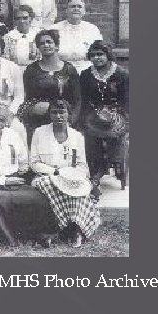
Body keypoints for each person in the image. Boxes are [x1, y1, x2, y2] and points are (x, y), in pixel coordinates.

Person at [0, 103, 56, 246]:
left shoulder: (13, 135)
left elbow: (23, 161)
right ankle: (9, 239)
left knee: (36, 197)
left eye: (2, 120)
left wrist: (18, 174)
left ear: (6, 121)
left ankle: (38, 236)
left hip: (14, 180)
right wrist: (3, 181)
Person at [31, 100, 99, 248]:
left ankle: (75, 228)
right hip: (46, 176)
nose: (58, 116)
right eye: (54, 112)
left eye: (62, 112)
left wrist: (73, 175)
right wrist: (56, 172)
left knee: (79, 186)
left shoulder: (77, 137)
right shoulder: (39, 133)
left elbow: (82, 165)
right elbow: (34, 163)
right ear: (49, 114)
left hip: (71, 177)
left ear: (69, 114)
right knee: (50, 184)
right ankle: (65, 229)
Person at [79, 40, 129, 190]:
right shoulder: (86, 75)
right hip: (94, 114)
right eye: (93, 55)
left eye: (100, 54)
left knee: (115, 131)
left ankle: (117, 163)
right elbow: (84, 100)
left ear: (108, 55)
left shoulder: (121, 74)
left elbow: (127, 100)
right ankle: (96, 170)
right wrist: (85, 119)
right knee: (90, 134)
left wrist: (122, 116)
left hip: (117, 113)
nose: (97, 58)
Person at [19, 29, 81, 143]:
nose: (46, 45)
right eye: (41, 43)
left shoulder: (69, 70)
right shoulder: (32, 70)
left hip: (63, 117)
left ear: (56, 45)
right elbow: (27, 97)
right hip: (39, 118)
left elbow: (77, 99)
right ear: (38, 47)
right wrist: (33, 108)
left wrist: (71, 121)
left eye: (49, 42)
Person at [53, 0, 103, 74]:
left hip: (87, 72)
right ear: (66, 10)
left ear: (84, 11)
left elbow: (99, 54)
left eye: (79, 6)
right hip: (60, 71)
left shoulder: (92, 29)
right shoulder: (54, 29)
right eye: (73, 6)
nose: (76, 9)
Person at [3, 4, 40, 73]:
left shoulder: (37, 36)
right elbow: (6, 59)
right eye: (18, 18)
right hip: (14, 71)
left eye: (25, 18)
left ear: (31, 18)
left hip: (34, 72)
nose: (21, 21)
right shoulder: (8, 37)